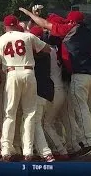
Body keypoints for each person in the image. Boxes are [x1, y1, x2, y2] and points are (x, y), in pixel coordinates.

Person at [19, 7, 91, 155]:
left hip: (79, 74)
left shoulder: (70, 29)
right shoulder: (89, 31)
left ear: (72, 21)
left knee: (80, 107)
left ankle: (89, 140)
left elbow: (45, 24)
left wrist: (30, 15)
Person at [0, 15, 51, 161]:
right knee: (30, 113)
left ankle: (5, 150)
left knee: (9, 113)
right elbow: (47, 49)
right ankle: (28, 151)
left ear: (5, 26)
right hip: (28, 72)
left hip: (11, 73)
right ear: (17, 24)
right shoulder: (27, 36)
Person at [29, 26, 55, 162]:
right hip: (47, 90)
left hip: (39, 90)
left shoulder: (38, 53)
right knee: (37, 121)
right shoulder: (45, 50)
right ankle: (38, 149)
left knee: (35, 122)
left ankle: (46, 152)